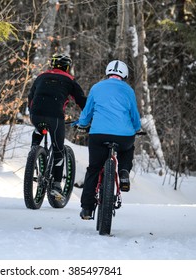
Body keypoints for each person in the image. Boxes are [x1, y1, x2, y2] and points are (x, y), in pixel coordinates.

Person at [76, 60, 141, 220]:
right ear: (124, 75)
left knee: (94, 169)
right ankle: (124, 171)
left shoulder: (97, 87)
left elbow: (87, 112)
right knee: (127, 148)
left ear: (107, 72)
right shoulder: (129, 90)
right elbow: (134, 116)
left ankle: (86, 209)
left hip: (99, 135)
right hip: (123, 135)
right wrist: (136, 128)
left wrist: (82, 125)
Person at [28, 53, 87, 199]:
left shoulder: (41, 76)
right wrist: (89, 117)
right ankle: (56, 184)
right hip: (55, 116)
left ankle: (34, 153)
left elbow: (30, 97)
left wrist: (32, 112)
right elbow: (82, 101)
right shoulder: (70, 80)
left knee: (38, 129)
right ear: (67, 67)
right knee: (58, 149)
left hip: (36, 114)